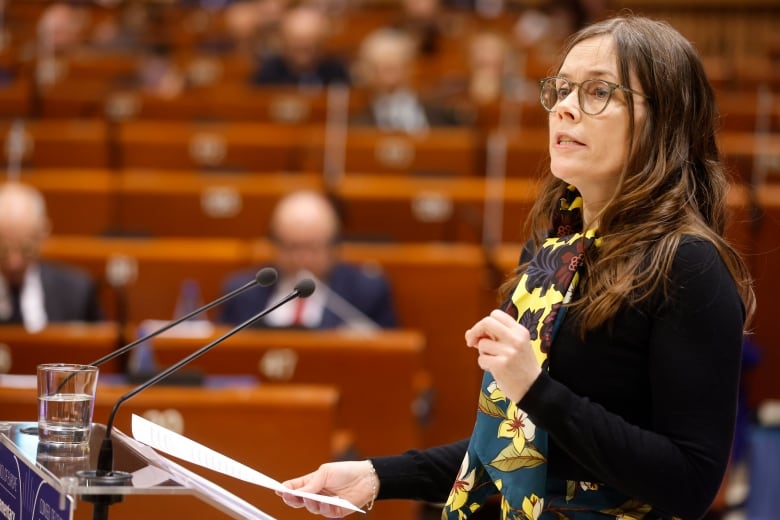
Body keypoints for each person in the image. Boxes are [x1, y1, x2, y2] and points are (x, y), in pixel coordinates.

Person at [277, 14, 755, 519]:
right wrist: (377, 475)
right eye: (562, 89)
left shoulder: (688, 265)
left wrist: (536, 389)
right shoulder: (552, 250)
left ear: (664, 119)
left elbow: (691, 483)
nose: (566, 109)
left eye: (597, 92)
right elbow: (523, 448)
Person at [219, 190, 398, 330]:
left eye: (312, 248)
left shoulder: (366, 292)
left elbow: (392, 357)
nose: (301, 259)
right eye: (291, 247)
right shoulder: (242, 292)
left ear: (334, 247)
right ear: (274, 244)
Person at [0, 182, 102, 332]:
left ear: (43, 233)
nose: (14, 262)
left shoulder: (76, 291)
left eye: (26, 249)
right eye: (3, 250)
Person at [351, 28, 465, 133]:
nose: (389, 76)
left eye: (394, 66)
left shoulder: (442, 114)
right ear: (369, 72)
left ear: (408, 67)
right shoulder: (359, 124)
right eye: (382, 68)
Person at [249, 4, 350, 89]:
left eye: (309, 39)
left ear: (320, 41)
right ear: (284, 41)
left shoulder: (335, 72)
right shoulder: (268, 72)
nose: (302, 46)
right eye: (296, 40)